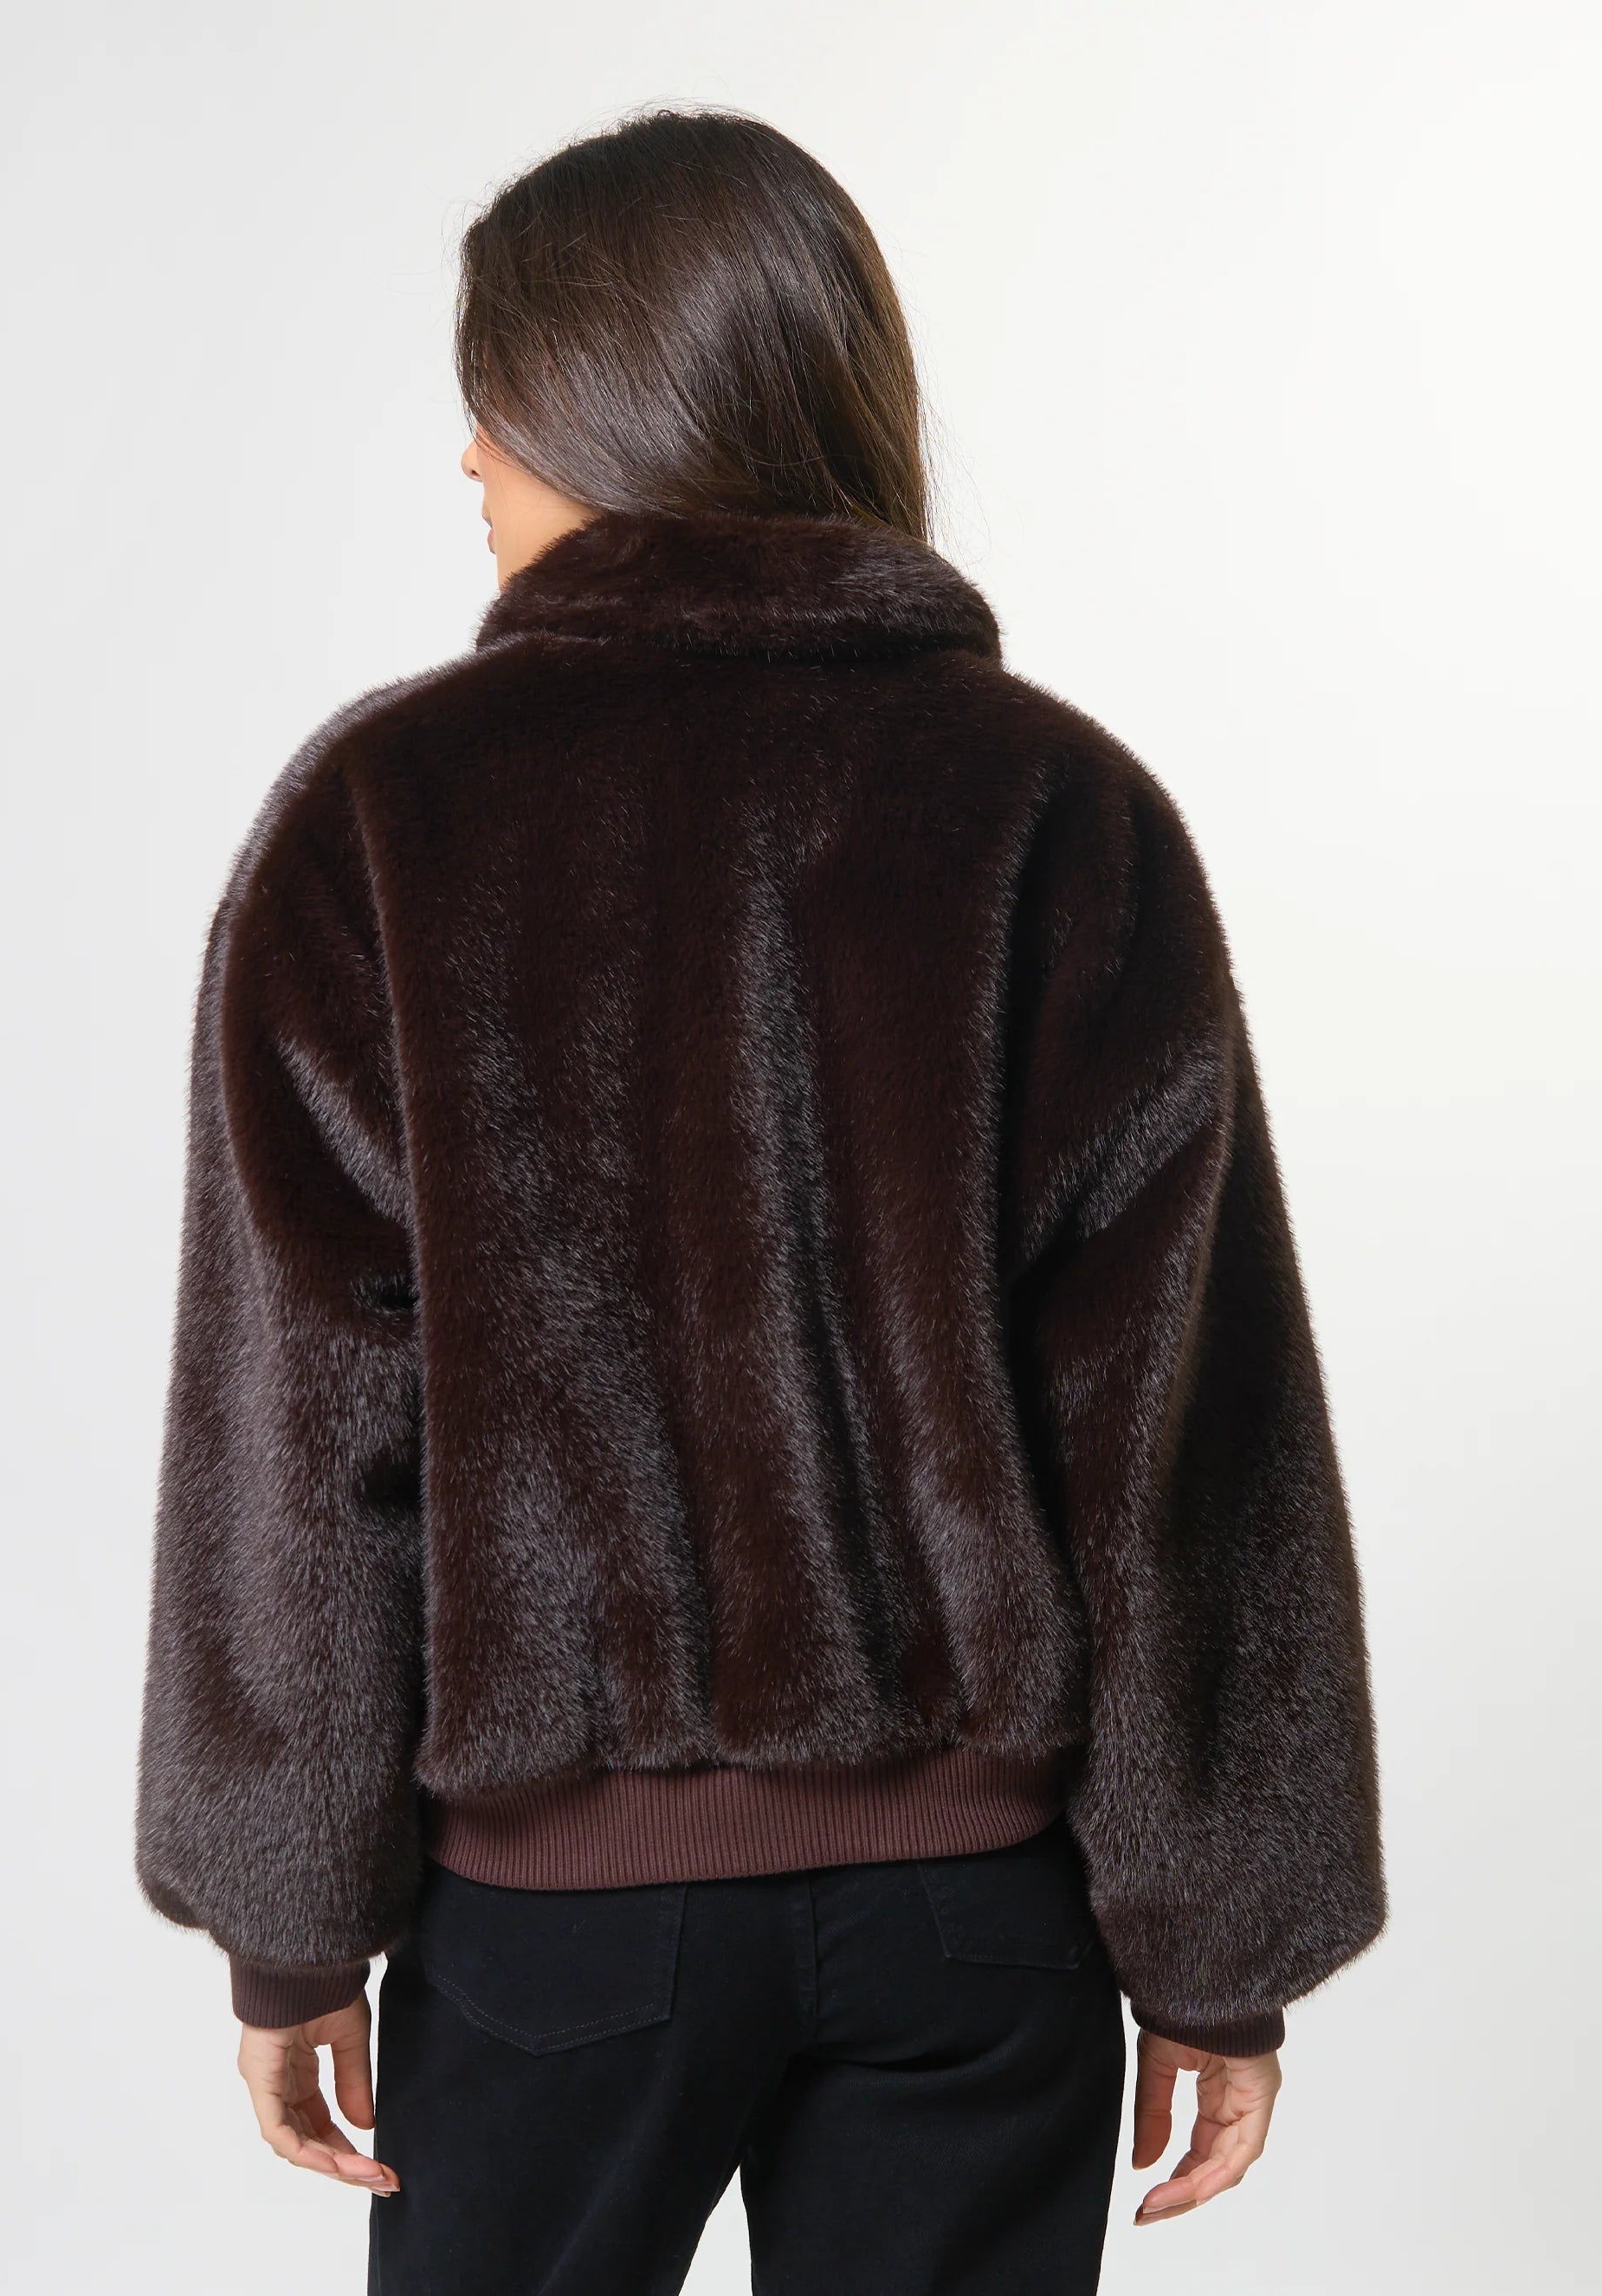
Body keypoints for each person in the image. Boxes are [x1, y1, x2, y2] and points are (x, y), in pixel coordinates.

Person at [134, 107, 1384, 2296]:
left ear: (613, 401)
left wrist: (288, 1922)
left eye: (498, 398)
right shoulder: (1056, 808)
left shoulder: (384, 818)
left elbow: (306, 1419)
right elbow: (1181, 1438)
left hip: (552, 1934)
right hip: (973, 1928)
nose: (468, 456)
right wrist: (1220, 1947)